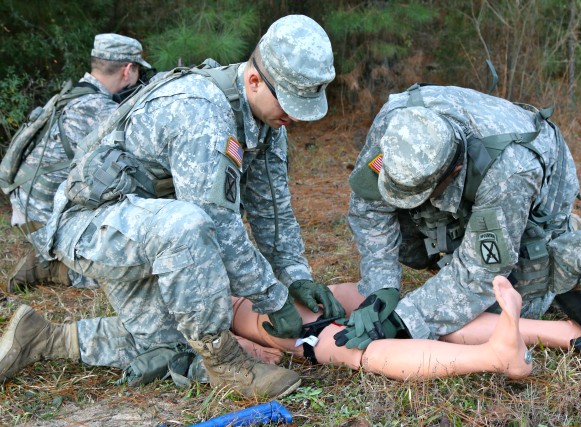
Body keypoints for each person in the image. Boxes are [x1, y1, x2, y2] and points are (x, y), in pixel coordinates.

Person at [0, 15, 344, 399]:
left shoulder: (267, 123)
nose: (295, 117)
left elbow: (273, 212)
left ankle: (44, 338)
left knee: (166, 348)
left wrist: (296, 275)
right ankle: (226, 365)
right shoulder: (202, 112)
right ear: (254, 81)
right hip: (95, 224)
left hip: (148, 228)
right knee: (191, 224)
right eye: (291, 103)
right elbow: (214, 223)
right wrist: (273, 298)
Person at [334, 84, 581, 350]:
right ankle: (466, 245)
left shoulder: (511, 174)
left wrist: (404, 320)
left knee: (503, 311)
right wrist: (381, 288)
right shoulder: (395, 125)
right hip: (477, 177)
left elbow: (482, 273)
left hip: (531, 178)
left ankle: (562, 244)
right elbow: (370, 211)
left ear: (454, 172)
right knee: (408, 246)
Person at [6, 33, 152, 292]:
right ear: (128, 70)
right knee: (131, 274)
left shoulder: (74, 94)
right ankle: (51, 265)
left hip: (27, 203)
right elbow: (141, 163)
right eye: (138, 70)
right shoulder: (100, 109)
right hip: (43, 217)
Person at [228, 276, 581, 380]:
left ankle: (497, 354)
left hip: (256, 303)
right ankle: (559, 330)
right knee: (411, 319)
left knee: (369, 342)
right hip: (267, 299)